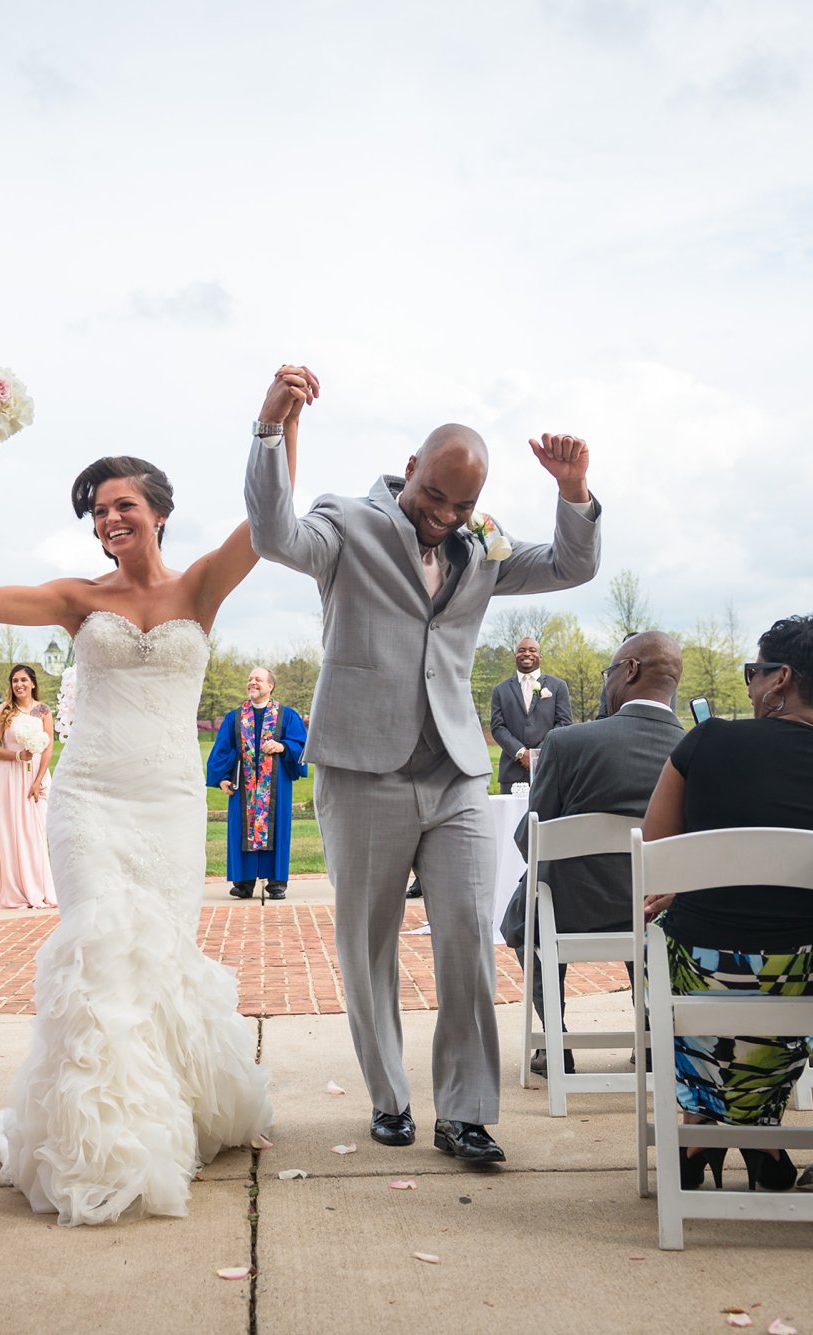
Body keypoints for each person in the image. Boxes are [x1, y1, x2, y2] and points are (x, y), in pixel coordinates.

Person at [0, 364, 313, 1224]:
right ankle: (103, 1140)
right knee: (100, 948)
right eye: (97, 510)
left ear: (158, 513)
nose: (108, 520)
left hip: (171, 803)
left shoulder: (201, 586)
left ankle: (170, 1108)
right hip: (92, 798)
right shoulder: (78, 599)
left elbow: (273, 519)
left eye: (122, 506)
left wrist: (279, 420)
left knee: (163, 952)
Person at [247, 396, 599, 1167]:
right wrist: (270, 430)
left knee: (469, 936)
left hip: (456, 772)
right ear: (409, 471)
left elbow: (574, 564)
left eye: (462, 504)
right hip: (363, 769)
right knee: (367, 943)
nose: (444, 514)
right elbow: (274, 535)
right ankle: (390, 1099)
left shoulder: (484, 549)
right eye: (433, 495)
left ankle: (467, 1111)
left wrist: (573, 492)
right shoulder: (347, 523)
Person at [639, 612, 813, 1192]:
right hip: (804, 980)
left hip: (700, 974)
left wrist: (694, 879)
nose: (750, 685)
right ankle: (761, 1131)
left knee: (674, 948)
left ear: (781, 679)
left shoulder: (708, 740)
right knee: (786, 965)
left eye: (755, 672)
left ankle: (700, 1126)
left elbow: (654, 853)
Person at [499, 631, 685, 1076]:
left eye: (609, 672)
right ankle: (650, 1033)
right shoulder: (695, 747)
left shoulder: (568, 743)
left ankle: (554, 1041)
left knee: (530, 913)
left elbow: (534, 837)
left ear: (631, 670)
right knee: (641, 905)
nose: (606, 683)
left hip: (570, 909)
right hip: (656, 911)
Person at [206, 666, 308, 900]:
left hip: (276, 786)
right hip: (244, 786)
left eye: (258, 679)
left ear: (270, 686)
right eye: (250, 679)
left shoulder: (287, 715)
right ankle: (243, 882)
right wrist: (222, 779)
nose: (252, 682)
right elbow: (223, 749)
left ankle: (276, 883)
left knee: (277, 827)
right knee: (242, 827)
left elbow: (302, 746)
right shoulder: (235, 717)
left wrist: (283, 746)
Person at [0, 663, 58, 910]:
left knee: (37, 832)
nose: (19, 685)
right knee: (11, 832)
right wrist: (15, 756)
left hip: (36, 775)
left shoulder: (42, 710)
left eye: (24, 680)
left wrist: (38, 781)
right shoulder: (4, 710)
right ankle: (15, 890)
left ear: (33, 683)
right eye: (15, 681)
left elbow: (48, 747)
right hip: (10, 776)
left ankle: (41, 888)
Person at [489, 636, 572, 794]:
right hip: (511, 772)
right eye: (521, 650)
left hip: (549, 768)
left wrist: (537, 755)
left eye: (532, 650)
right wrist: (521, 753)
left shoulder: (558, 686)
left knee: (547, 818)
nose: (527, 653)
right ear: (515, 655)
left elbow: (564, 723)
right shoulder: (500, 690)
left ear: (540, 655)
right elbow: (497, 727)